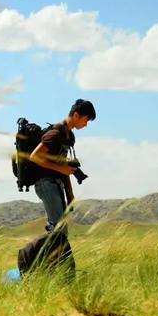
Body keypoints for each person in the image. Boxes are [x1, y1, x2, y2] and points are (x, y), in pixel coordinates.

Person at [29, 99, 96, 236]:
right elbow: (34, 156)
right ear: (76, 115)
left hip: (57, 184)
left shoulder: (68, 136)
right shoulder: (56, 133)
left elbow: (63, 166)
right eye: (86, 120)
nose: (86, 124)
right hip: (45, 184)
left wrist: (70, 193)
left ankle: (48, 256)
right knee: (59, 230)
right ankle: (43, 256)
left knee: (59, 230)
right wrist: (61, 169)